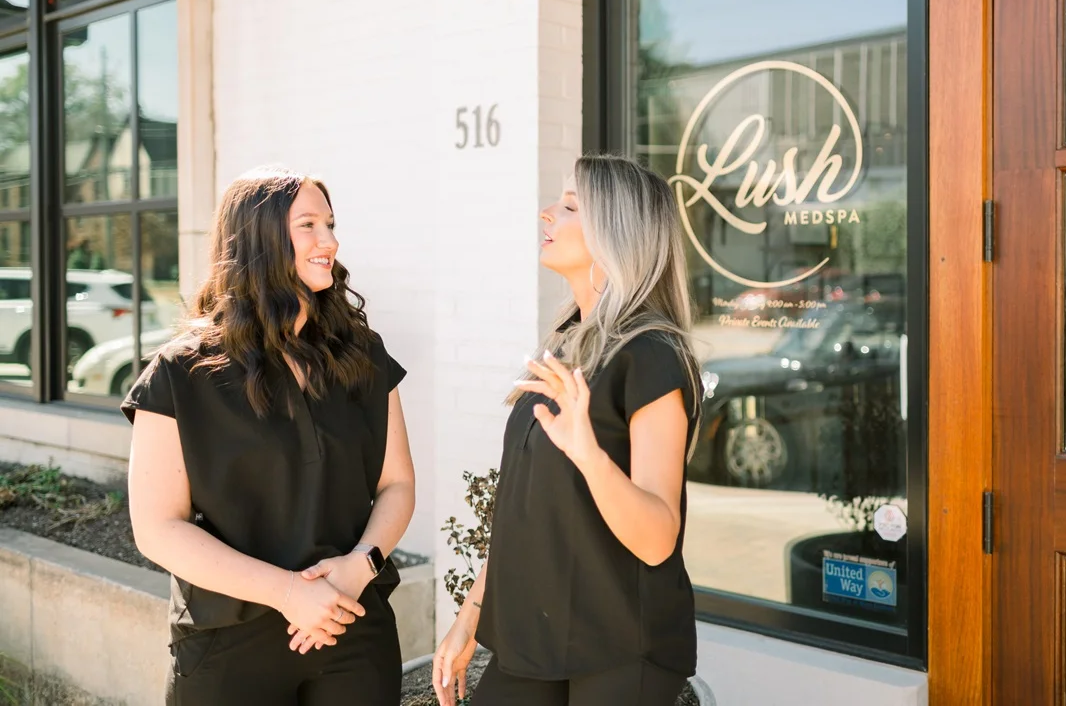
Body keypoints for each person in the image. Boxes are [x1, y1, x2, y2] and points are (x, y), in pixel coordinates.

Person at [123, 165, 416, 705]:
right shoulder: (179, 374)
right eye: (308, 225)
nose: (329, 240)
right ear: (259, 239)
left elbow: (397, 484)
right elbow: (157, 528)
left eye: (330, 223)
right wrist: (286, 593)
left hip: (353, 626)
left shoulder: (362, 355)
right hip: (228, 641)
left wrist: (358, 568)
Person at [432, 154, 703, 706]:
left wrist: (590, 455)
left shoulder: (650, 356)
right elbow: (525, 508)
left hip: (622, 649)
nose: (546, 213)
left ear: (614, 234)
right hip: (535, 636)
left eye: (571, 205)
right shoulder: (565, 344)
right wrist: (470, 617)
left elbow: (657, 540)